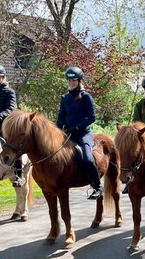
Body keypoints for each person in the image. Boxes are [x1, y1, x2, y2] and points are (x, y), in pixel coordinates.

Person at [56, 67, 103, 200]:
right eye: (69, 80)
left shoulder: (85, 96)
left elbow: (92, 117)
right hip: (67, 134)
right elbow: (61, 117)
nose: (71, 82)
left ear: (79, 81)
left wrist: (77, 127)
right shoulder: (64, 98)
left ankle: (98, 186)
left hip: (82, 134)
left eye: (74, 80)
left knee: (88, 159)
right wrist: (56, 131)